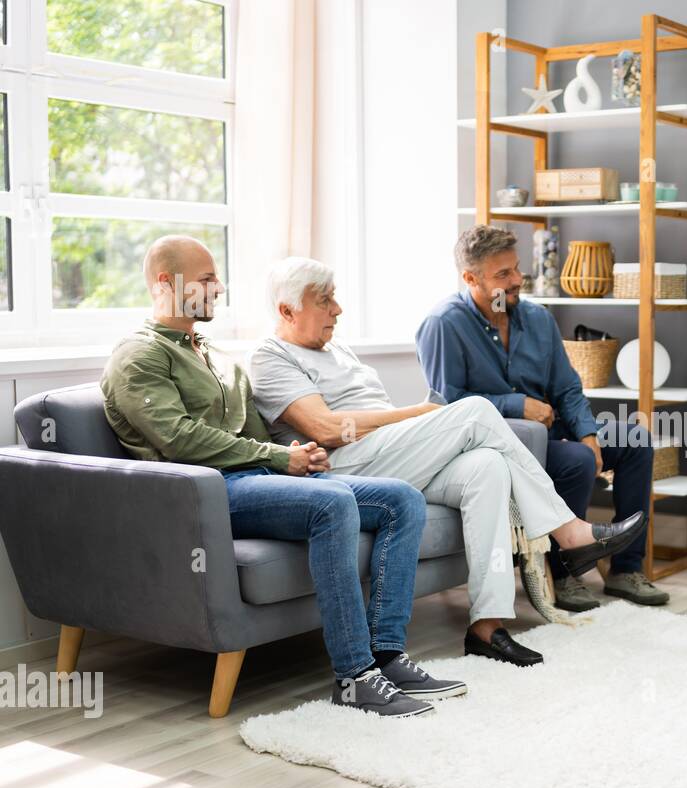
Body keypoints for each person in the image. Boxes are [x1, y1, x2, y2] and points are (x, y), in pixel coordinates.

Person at [101, 235, 451, 718]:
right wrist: (276, 457)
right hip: (203, 492)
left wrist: (297, 452)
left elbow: (254, 432)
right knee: (333, 505)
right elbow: (180, 440)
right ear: (166, 282)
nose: (218, 288)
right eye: (206, 280)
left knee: (402, 500)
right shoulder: (139, 356)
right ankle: (354, 675)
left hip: (252, 483)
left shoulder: (218, 358)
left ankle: (387, 655)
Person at [249, 257, 645, 668]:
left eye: (335, 298)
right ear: (286, 310)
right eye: (325, 301)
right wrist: (421, 414)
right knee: (473, 410)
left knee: (488, 466)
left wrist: (417, 419)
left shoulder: (338, 350)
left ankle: (487, 629)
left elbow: (371, 420)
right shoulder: (270, 355)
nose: (338, 309)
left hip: (386, 455)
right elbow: (328, 428)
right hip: (344, 467)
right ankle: (570, 533)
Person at [416, 225, 667, 612]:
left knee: (635, 442)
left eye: (516, 269)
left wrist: (587, 433)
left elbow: (567, 387)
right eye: (503, 275)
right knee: (578, 462)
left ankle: (625, 570)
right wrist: (516, 404)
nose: (517, 280)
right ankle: (565, 572)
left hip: (551, 428)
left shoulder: (537, 318)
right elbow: (449, 404)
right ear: (470, 278)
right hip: (499, 442)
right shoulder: (443, 325)